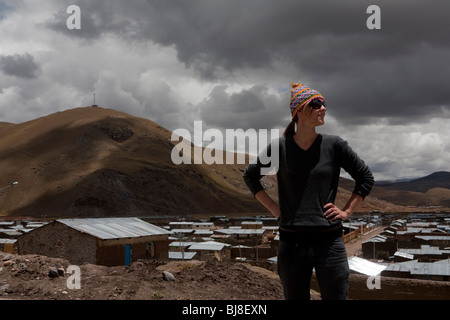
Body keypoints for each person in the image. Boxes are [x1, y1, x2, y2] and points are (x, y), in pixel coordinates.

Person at [243, 83, 374, 300]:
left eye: (323, 104)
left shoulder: (335, 145)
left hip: (329, 243)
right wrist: (276, 210)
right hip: (291, 244)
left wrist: (347, 212)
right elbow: (250, 176)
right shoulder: (279, 148)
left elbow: (365, 178)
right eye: (316, 104)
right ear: (300, 110)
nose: (323, 108)